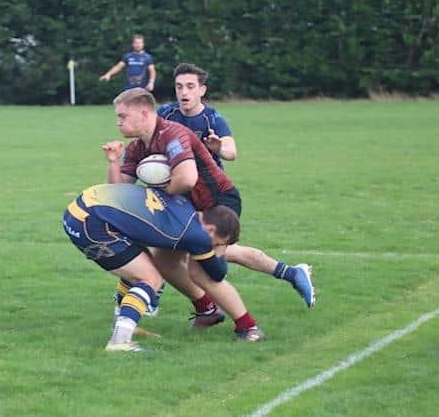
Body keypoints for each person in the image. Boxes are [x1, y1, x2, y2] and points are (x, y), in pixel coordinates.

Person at [142, 62, 316, 310]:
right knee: (167, 252)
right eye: (179, 86)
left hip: (216, 200)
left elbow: (232, 152)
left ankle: (238, 316)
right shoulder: (167, 114)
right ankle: (289, 275)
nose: (184, 92)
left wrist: (218, 148)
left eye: (191, 86)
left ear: (202, 90)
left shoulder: (213, 119)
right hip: (187, 197)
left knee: (203, 260)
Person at [102, 87, 265, 341]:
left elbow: (188, 179)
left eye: (123, 116)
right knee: (163, 261)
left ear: (143, 114)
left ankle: (248, 327)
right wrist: (113, 161)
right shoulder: (136, 148)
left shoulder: (172, 135)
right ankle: (206, 309)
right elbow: (119, 191)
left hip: (215, 204)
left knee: (201, 270)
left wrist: (161, 192)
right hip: (185, 208)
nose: (118, 122)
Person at [63, 182, 254, 352]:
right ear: (211, 230)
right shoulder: (197, 235)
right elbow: (217, 273)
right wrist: (219, 252)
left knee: (140, 264)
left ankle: (122, 324)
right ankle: (119, 341)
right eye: (217, 242)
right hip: (91, 223)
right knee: (150, 279)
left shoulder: (184, 204)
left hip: (83, 207)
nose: (213, 246)